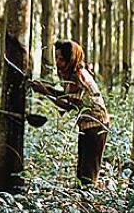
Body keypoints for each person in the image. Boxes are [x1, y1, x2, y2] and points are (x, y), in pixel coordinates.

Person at [30, 39, 110, 186]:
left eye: (61, 59)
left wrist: (45, 92)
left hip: (96, 125)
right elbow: (66, 96)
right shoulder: (74, 73)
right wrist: (44, 88)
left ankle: (89, 202)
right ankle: (84, 198)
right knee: (82, 170)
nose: (57, 62)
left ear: (71, 59)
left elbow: (71, 106)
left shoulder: (78, 76)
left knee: (88, 172)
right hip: (87, 125)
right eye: (56, 58)